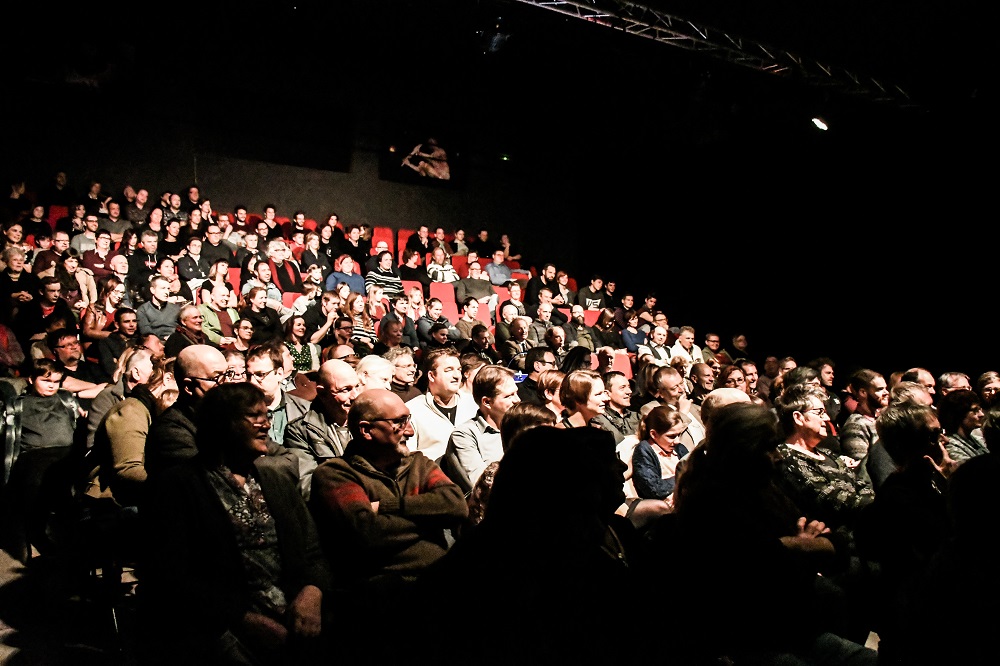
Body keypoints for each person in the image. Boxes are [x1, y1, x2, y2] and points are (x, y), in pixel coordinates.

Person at [140, 382, 331, 666]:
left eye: (266, 416)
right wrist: (242, 618)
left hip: (292, 613)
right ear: (222, 423)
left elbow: (312, 549)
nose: (265, 424)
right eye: (254, 417)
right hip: (219, 625)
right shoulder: (180, 485)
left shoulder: (273, 480)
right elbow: (171, 573)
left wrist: (312, 591)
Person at [308, 388, 467, 623]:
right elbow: (367, 533)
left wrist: (386, 506)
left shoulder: (418, 464)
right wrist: (430, 518)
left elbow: (456, 505)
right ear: (366, 430)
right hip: (384, 597)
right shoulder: (335, 474)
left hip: (440, 580)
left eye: (408, 420)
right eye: (399, 423)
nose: (410, 431)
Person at [0, 358, 84, 564]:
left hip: (66, 453)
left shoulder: (66, 400)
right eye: (46, 381)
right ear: (31, 379)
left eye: (56, 381)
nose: (51, 386)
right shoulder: (17, 405)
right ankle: (37, 535)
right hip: (35, 455)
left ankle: (75, 537)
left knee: (72, 483)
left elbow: (78, 428)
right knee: (38, 482)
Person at [774, 384, 875, 531]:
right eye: (820, 412)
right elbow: (834, 502)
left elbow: (862, 485)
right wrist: (880, 504)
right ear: (798, 417)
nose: (827, 418)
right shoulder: (787, 458)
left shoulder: (827, 453)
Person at [440, 365, 520, 493]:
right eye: (509, 396)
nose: (518, 400)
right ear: (487, 402)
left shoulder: (521, 427)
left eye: (516, 393)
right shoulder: (465, 435)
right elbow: (481, 486)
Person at [405, 347, 478, 462]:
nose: (457, 376)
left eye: (458, 370)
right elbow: (409, 458)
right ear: (431, 376)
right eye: (448, 370)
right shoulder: (412, 410)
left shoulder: (473, 404)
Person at [630, 405, 689, 501]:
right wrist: (683, 477)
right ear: (654, 434)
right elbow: (654, 489)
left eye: (679, 435)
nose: (677, 440)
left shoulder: (679, 448)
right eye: (671, 436)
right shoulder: (644, 450)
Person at [840, 368, 890, 461]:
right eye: (880, 389)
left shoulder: (882, 419)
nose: (886, 392)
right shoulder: (855, 426)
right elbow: (861, 468)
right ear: (863, 392)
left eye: (885, 388)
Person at [936, 388, 989, 463]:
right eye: (975, 410)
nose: (981, 414)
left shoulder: (975, 439)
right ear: (959, 414)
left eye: (980, 409)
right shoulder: (950, 446)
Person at [591, 370, 641, 444]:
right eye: (622, 388)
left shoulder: (637, 417)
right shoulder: (598, 419)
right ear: (607, 394)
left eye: (629, 387)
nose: (629, 391)